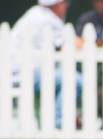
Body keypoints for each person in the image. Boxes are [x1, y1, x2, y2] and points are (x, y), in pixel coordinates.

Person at [9, 0, 82, 129]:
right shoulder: (48, 20)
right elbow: (72, 45)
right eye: (65, 3)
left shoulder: (36, 14)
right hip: (23, 73)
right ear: (58, 5)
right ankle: (60, 126)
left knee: (65, 79)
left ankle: (64, 120)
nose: (66, 6)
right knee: (74, 80)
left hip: (22, 72)